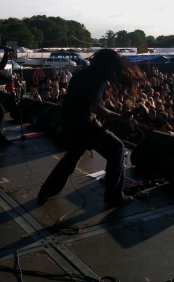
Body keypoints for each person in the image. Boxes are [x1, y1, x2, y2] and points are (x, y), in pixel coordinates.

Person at [38, 48, 144, 207]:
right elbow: (96, 107)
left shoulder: (81, 73)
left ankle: (47, 191)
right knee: (117, 149)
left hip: (69, 121)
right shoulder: (99, 79)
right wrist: (119, 116)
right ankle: (113, 196)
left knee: (72, 156)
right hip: (85, 123)